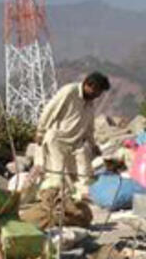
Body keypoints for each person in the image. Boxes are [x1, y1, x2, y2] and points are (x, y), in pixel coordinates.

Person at [34, 72, 110, 204]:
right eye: (97, 91)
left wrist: (93, 145)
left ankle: (84, 197)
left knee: (85, 174)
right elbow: (49, 110)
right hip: (57, 139)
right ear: (88, 85)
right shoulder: (70, 91)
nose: (98, 96)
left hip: (76, 142)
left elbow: (88, 126)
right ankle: (53, 201)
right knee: (58, 175)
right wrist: (40, 131)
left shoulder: (89, 102)